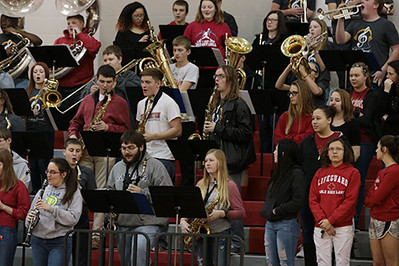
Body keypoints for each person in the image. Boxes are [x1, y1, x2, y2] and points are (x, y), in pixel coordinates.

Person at [68, 65, 130, 247]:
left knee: (101, 190)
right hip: (85, 151)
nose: (104, 85)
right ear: (96, 80)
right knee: (80, 188)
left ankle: (96, 233)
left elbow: (127, 129)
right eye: (102, 81)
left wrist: (108, 127)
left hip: (106, 152)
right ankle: (76, 227)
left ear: (114, 82)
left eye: (108, 82)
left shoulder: (120, 102)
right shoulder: (88, 99)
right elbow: (76, 121)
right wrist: (73, 135)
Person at [203, 65, 255, 253]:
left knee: (232, 203)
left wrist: (217, 129)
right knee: (220, 202)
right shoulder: (217, 102)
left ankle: (236, 241)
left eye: (221, 76)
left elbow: (246, 132)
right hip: (217, 158)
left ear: (230, 81)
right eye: (215, 76)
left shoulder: (239, 104)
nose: (216, 79)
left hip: (231, 160)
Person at [106, 130, 172, 266]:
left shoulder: (155, 165)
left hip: (148, 223)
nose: (126, 152)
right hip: (123, 222)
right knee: (126, 262)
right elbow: (110, 190)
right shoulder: (117, 167)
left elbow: (167, 194)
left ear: (141, 147)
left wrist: (143, 192)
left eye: (131, 148)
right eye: (124, 148)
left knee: (139, 254)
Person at [299, 105, 349, 266]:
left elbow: (348, 167)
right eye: (313, 118)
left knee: (333, 236)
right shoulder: (307, 142)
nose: (314, 122)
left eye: (318, 118)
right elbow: (299, 168)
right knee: (307, 233)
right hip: (309, 198)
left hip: (333, 198)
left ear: (329, 120)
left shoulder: (340, 140)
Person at [180, 149, 245, 266]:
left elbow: (240, 212)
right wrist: (183, 220)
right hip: (201, 234)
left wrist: (221, 213)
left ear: (220, 163)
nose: (207, 164)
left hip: (220, 234)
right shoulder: (200, 184)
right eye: (206, 161)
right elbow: (191, 207)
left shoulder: (230, 185)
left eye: (211, 160)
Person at [309, 137, 360, 266]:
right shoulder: (319, 173)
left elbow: (350, 201)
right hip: (321, 226)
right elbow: (313, 200)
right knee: (322, 263)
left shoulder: (353, 173)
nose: (335, 152)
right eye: (331, 149)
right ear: (326, 152)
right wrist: (323, 221)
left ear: (345, 152)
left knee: (342, 262)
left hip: (342, 226)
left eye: (338, 149)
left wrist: (331, 221)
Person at [26, 158, 82, 266]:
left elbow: (73, 218)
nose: (48, 175)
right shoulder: (43, 190)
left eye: (53, 172)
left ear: (63, 174)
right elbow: (31, 211)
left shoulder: (74, 192)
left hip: (59, 241)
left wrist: (51, 209)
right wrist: (29, 219)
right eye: (47, 171)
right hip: (38, 239)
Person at [260, 139, 306, 266]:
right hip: (270, 223)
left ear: (284, 153)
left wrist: (277, 210)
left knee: (285, 262)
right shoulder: (278, 172)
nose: (274, 152)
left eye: (277, 149)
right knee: (270, 262)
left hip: (286, 223)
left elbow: (298, 201)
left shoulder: (297, 174)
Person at [335, 0, 399, 88]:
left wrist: (384, 69)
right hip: (357, 76)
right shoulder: (355, 23)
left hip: (375, 76)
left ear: (376, 5)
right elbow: (340, 40)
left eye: (366, 0)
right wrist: (341, 19)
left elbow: (397, 50)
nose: (362, 1)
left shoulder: (386, 25)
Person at [136, 68, 182, 182]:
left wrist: (153, 137)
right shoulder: (141, 104)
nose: (143, 86)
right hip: (145, 156)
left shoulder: (169, 102)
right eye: (142, 82)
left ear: (158, 83)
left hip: (164, 157)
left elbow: (177, 130)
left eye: (148, 82)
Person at [348, 62, 379, 229]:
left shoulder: (371, 95)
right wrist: (356, 115)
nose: (353, 78)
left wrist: (350, 116)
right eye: (351, 75)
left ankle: (355, 219)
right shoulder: (348, 93)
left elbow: (366, 120)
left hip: (365, 141)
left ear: (365, 76)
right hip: (347, 141)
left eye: (356, 75)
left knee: (357, 181)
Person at [54, 14, 101, 112]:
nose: (70, 26)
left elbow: (94, 48)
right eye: (68, 24)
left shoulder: (86, 39)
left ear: (82, 24)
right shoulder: (60, 41)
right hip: (62, 87)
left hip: (81, 86)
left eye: (74, 23)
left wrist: (80, 34)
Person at [365, 135, 399, 266]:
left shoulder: (394, 171)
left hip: (389, 218)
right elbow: (370, 196)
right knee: (377, 262)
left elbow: (377, 197)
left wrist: (372, 199)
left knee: (391, 262)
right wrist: (372, 199)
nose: (375, 151)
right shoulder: (382, 171)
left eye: (377, 148)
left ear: (384, 149)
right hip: (375, 217)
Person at [170, 35, 199, 186]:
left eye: (180, 50)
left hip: (186, 116)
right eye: (175, 50)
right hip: (170, 117)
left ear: (188, 52)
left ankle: (188, 188)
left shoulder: (192, 68)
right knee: (170, 156)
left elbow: (182, 89)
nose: (176, 53)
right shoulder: (169, 67)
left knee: (186, 159)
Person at [63, 138, 96, 266]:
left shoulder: (86, 172)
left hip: (81, 220)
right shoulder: (58, 170)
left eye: (78, 151)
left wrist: (83, 198)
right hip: (62, 219)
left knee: (81, 256)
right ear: (64, 151)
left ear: (81, 153)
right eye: (71, 150)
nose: (74, 154)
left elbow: (92, 196)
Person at [25, 62, 55, 194]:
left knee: (43, 164)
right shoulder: (28, 91)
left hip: (45, 131)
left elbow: (55, 113)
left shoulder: (51, 92)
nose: (38, 74)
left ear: (46, 75)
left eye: (41, 72)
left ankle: (46, 190)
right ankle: (35, 191)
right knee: (34, 164)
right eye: (35, 72)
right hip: (31, 131)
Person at [0, 148, 30, 266]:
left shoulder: (18, 186)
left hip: (6, 230)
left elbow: (23, 213)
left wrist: (3, 207)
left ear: (6, 166)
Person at [0, 14, 42, 87]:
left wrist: (17, 31)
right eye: (1, 21)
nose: (3, 24)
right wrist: (5, 53)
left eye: (6, 21)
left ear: (15, 21)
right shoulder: (0, 37)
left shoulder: (21, 36)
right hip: (3, 77)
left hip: (21, 78)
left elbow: (38, 41)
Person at [274, 80, 314, 145]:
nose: (290, 96)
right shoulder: (285, 115)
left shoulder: (311, 116)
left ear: (303, 94)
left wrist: (287, 138)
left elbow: (308, 137)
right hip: (286, 152)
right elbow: (277, 138)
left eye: (294, 93)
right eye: (290, 93)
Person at [330, 89, 361, 161]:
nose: (333, 103)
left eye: (337, 100)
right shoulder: (326, 121)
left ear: (345, 103)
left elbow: (356, 152)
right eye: (331, 100)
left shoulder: (353, 123)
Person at [381, 60, 399, 136]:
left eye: (391, 74)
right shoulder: (389, 88)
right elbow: (380, 111)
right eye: (387, 73)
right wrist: (386, 92)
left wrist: (388, 118)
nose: (387, 76)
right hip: (389, 132)